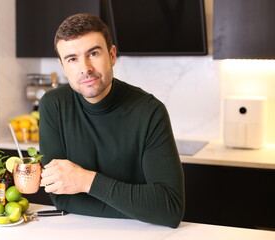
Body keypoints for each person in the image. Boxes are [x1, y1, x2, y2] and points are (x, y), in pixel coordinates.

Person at [39, 13, 184, 228]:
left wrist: (84, 181)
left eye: (93, 53)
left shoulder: (149, 111)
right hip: (78, 231)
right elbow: (61, 196)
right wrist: (137, 206)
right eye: (72, 59)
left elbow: (169, 209)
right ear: (63, 66)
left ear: (112, 55)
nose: (85, 68)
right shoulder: (53, 104)